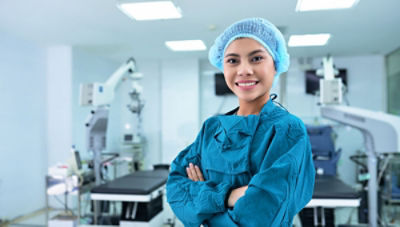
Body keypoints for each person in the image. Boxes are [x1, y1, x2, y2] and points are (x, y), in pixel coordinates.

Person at [166, 17, 315, 227]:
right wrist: (227, 196)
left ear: (276, 64)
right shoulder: (212, 128)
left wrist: (204, 203)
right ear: (223, 67)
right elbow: (176, 187)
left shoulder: (287, 130)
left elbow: (263, 216)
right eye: (233, 60)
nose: (244, 70)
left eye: (256, 58)